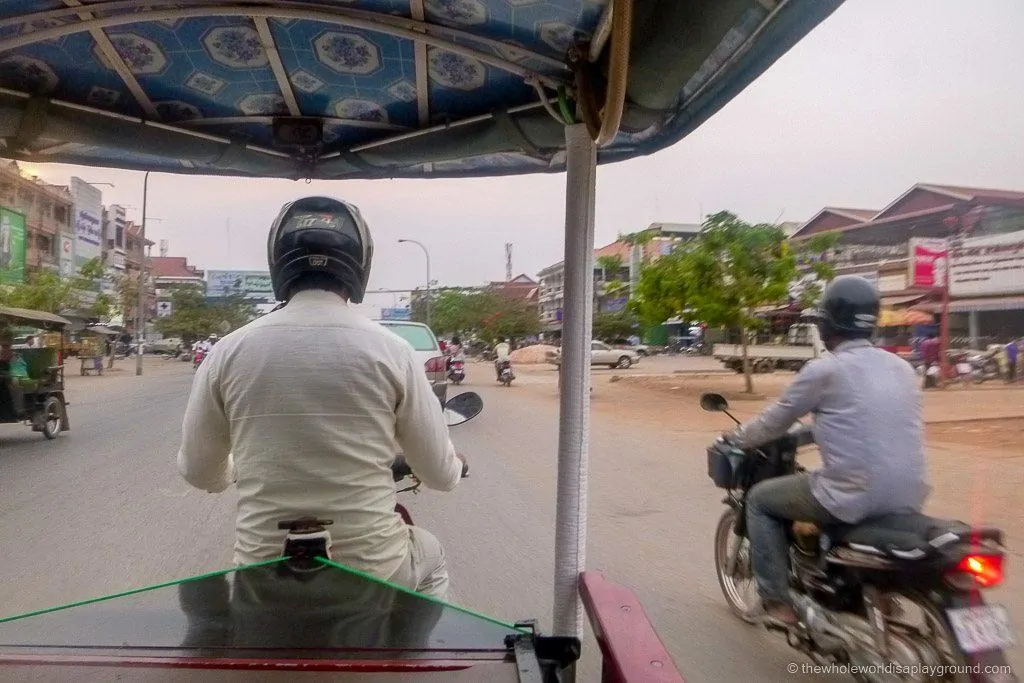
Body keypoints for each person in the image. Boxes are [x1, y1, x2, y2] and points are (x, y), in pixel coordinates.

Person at [177, 196, 465, 600]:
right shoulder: (392, 350)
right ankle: (417, 659)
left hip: (261, 574)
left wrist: (231, 471)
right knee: (431, 555)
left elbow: (197, 470)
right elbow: (438, 474)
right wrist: (454, 467)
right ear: (360, 262)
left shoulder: (228, 350)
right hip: (374, 572)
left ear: (278, 261)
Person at [715, 275, 928, 626]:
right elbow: (863, 421)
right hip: (909, 493)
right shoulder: (901, 367)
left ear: (829, 324)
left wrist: (735, 438)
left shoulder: (825, 369)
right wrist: (812, 432)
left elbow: (773, 422)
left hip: (854, 493)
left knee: (760, 500)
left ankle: (776, 602)